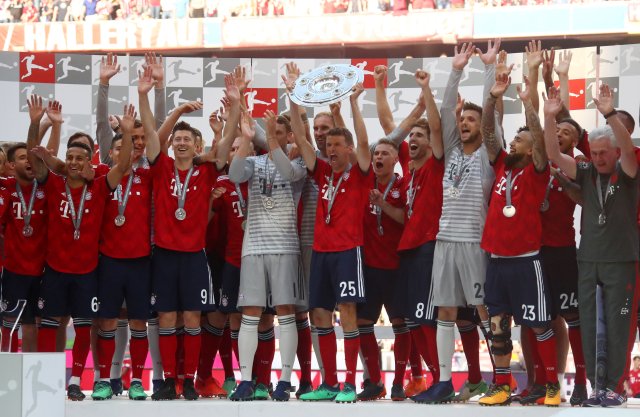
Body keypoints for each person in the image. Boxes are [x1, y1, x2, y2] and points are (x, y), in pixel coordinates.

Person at [29, 95, 134, 402]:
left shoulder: (101, 186)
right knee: (49, 325)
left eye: (80, 159)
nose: (74, 163)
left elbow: (124, 163)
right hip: (55, 270)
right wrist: (35, 122)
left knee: (85, 327)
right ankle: (48, 379)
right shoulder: (51, 183)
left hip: (88, 271)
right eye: (70, 158)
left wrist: (127, 133)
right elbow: (36, 157)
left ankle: (75, 380)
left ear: (90, 162)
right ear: (65, 160)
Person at [544, 84, 639, 408]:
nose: (597, 158)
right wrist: (547, 116)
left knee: (619, 323)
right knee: (586, 323)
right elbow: (555, 154)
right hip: (588, 260)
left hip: (621, 260)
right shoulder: (585, 172)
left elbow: (628, 150)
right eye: (594, 153)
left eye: (603, 153)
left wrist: (610, 113)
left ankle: (615, 386)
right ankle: (595, 387)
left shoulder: (628, 172)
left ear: (615, 152)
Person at [416, 41, 498, 404]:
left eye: (471, 120)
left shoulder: (489, 152)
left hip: (475, 242)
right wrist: (455, 70)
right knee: (445, 310)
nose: (464, 123)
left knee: (485, 310)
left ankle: (501, 379)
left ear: (483, 127)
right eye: (463, 120)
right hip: (445, 240)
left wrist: (489, 68)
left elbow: (493, 114)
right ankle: (445, 381)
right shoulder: (450, 149)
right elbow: (448, 107)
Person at [285, 62, 372, 403]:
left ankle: (350, 383)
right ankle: (330, 383)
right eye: (329, 144)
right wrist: (293, 96)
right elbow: (302, 138)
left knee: (347, 313)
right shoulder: (322, 173)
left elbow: (363, 141)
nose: (331, 149)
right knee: (318, 313)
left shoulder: (361, 173)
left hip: (349, 251)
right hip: (320, 251)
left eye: (337, 144)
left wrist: (351, 105)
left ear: (348, 149)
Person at [478, 72, 560, 407]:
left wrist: (529, 106)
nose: (513, 142)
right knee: (498, 326)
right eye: (514, 138)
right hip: (497, 261)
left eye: (520, 139)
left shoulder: (537, 171)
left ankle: (552, 384)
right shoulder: (502, 167)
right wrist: (493, 99)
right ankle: (500, 386)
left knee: (540, 324)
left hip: (527, 261)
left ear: (530, 148)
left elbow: (540, 143)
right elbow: (488, 135)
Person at [138, 66, 220, 401]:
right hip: (165, 254)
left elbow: (226, 144)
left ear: (197, 145)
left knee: (192, 316)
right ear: (171, 146)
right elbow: (151, 133)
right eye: (178, 139)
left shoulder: (206, 171)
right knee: (167, 316)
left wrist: (223, 121)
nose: (182, 142)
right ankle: (169, 380)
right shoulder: (162, 166)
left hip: (194, 255)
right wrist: (162, 104)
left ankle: (187, 380)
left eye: (188, 139)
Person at [227, 109, 306, 401]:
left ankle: (285, 380)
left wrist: (270, 136)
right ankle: (246, 380)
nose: (277, 135)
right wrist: (247, 139)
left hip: (285, 246)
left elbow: (286, 172)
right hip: (254, 248)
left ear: (289, 137)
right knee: (250, 313)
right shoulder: (254, 161)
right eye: (274, 131)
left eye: (282, 131)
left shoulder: (299, 163)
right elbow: (234, 174)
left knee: (285, 312)